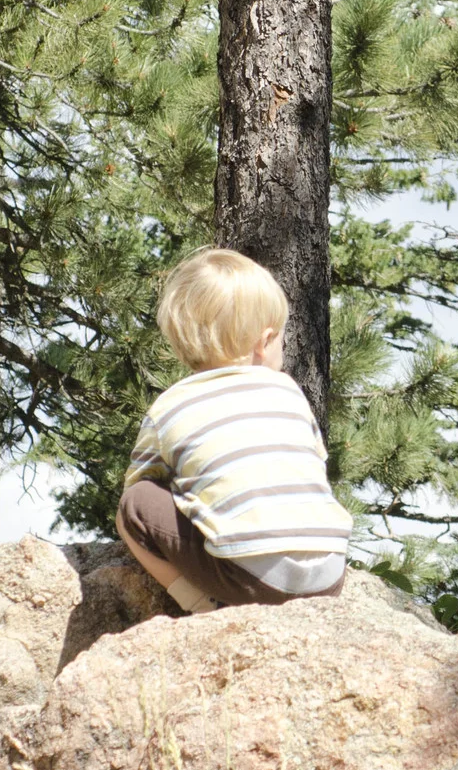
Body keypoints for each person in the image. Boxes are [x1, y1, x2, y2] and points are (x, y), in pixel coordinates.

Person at [116, 248, 351, 613]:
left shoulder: (170, 405)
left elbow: (141, 483)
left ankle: (201, 605)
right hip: (329, 576)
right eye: (283, 338)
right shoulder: (288, 391)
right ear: (264, 340)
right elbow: (313, 466)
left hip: (249, 581)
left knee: (133, 505)